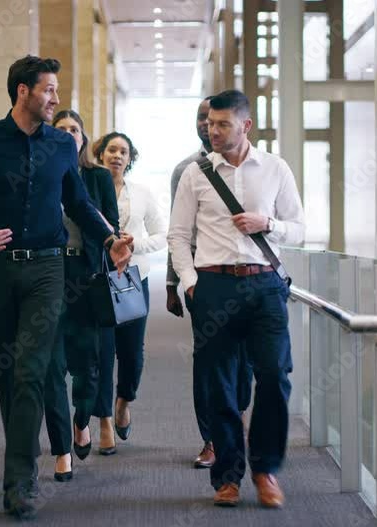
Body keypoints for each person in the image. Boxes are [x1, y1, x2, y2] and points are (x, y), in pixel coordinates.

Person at [0, 56, 133, 520]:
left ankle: (20, 481)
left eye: (56, 89)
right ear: (23, 92)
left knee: (30, 371)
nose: (55, 98)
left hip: (49, 271)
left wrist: (109, 238)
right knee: (8, 375)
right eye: (48, 90)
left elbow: (80, 203)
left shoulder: (62, 147)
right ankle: (20, 465)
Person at [168, 89, 305, 509]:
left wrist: (269, 224)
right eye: (210, 123)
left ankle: (265, 469)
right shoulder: (196, 173)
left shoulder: (275, 168)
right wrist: (190, 282)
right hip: (213, 286)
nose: (213, 130)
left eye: (222, 124)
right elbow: (178, 235)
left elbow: (300, 228)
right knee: (219, 384)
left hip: (264, 285)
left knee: (274, 376)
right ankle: (227, 475)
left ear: (245, 126)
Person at [166, 96, 253, 469]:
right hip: (204, 281)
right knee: (208, 364)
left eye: (214, 119)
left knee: (244, 366)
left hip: (247, 281)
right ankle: (212, 439)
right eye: (201, 118)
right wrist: (177, 284)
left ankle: (235, 421)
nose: (207, 125)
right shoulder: (186, 170)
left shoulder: (256, 167)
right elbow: (178, 232)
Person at [43, 110, 120, 481]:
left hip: (87, 275)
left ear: (85, 138)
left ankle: (81, 419)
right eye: (62, 129)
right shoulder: (42, 174)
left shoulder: (98, 176)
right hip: (49, 275)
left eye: (76, 129)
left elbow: (111, 225)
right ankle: (62, 450)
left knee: (89, 363)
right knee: (54, 365)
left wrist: (112, 242)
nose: (70, 134)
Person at [91, 132, 166, 454]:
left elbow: (162, 234)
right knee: (101, 353)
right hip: (95, 279)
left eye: (123, 151)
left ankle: (124, 401)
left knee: (132, 352)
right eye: (111, 150)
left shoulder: (142, 194)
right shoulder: (87, 190)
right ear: (101, 154)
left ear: (130, 158)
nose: (117, 156)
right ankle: (105, 420)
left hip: (133, 278)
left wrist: (137, 247)